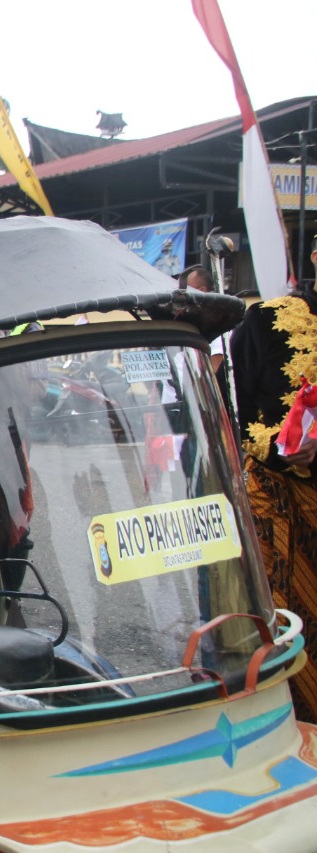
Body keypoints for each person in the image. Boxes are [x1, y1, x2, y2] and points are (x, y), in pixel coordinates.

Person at [229, 234, 317, 724]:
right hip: (281, 503)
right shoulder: (266, 320)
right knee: (284, 626)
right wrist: (287, 452)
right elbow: (239, 413)